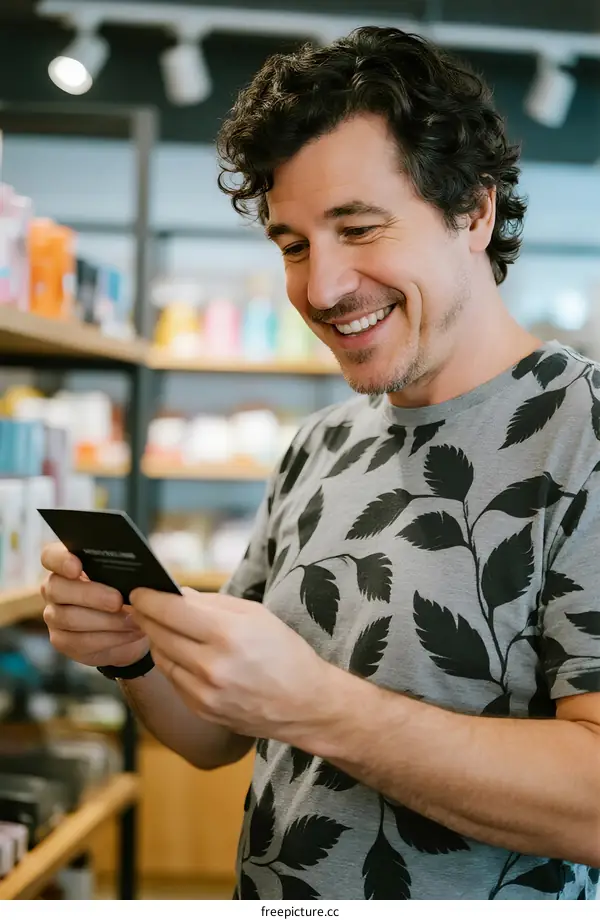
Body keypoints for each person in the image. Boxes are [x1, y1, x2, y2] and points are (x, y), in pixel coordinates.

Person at [41, 27, 600, 900]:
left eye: (360, 228)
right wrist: (135, 656)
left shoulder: (584, 430)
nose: (322, 287)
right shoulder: (322, 443)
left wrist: (318, 705)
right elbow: (220, 736)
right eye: (294, 244)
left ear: (474, 213)